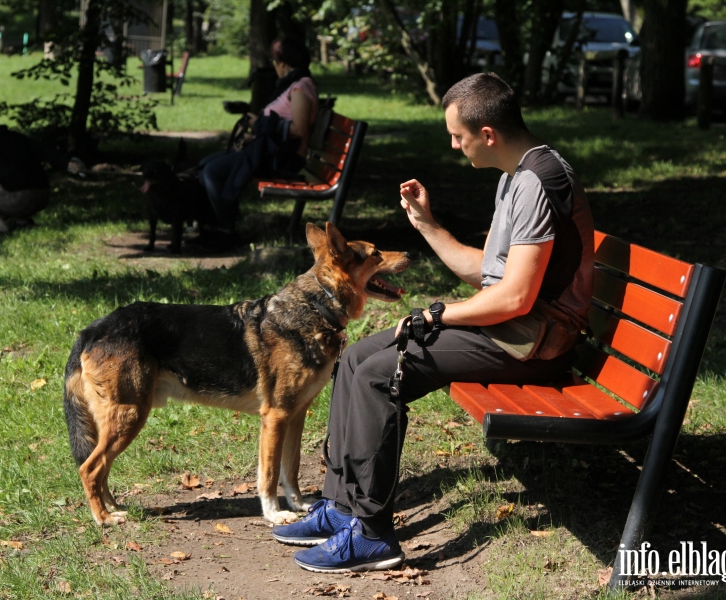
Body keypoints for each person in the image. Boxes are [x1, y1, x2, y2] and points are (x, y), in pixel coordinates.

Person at [270, 73, 596, 573]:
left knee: (381, 375)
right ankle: (341, 507)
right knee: (356, 356)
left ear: (487, 134)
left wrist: (437, 313)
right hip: (511, 328)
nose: (452, 143)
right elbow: (485, 271)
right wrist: (425, 223)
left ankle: (374, 534)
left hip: (534, 344)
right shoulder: (515, 177)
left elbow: (514, 296)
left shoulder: (540, 182)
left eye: (457, 134)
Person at [196, 36, 318, 249]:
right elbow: (281, 125)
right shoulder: (292, 85)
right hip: (269, 152)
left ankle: (226, 231)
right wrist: (257, 127)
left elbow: (299, 129)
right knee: (205, 164)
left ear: (282, 63)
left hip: (283, 160)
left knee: (212, 172)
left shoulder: (301, 87)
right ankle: (214, 226)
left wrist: (263, 124)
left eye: (274, 60)